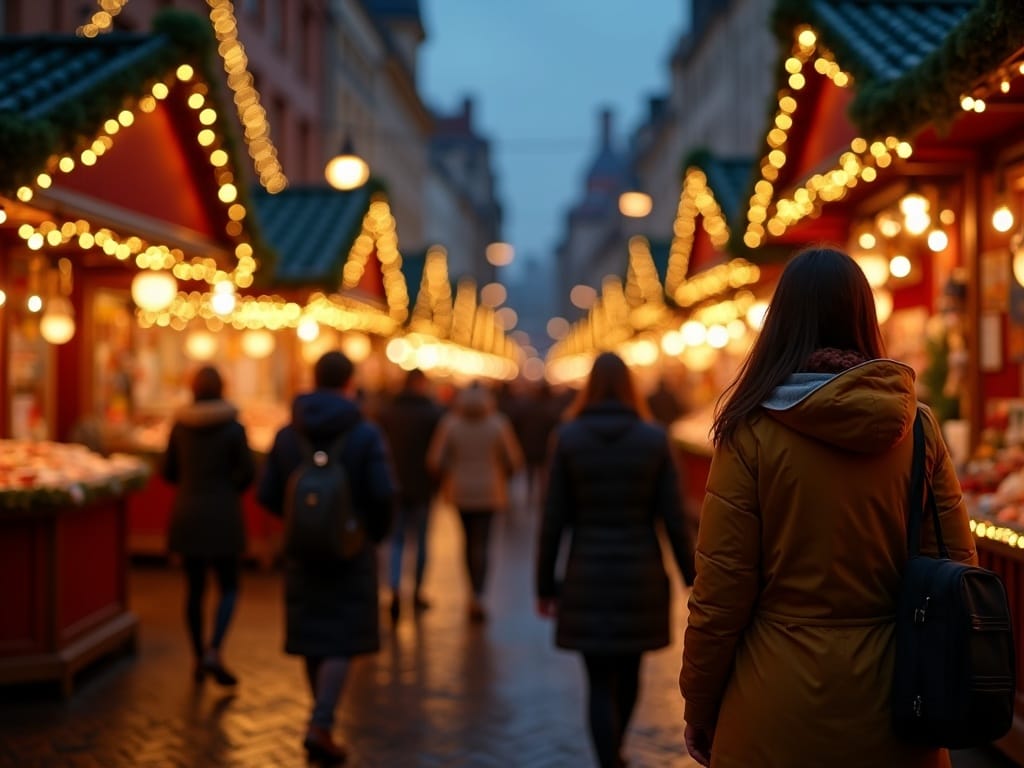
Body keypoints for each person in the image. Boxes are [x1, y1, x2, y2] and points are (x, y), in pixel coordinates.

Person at [678, 247, 977, 768]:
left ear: (781, 324)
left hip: (774, 704)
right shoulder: (919, 429)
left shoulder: (750, 433)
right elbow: (957, 562)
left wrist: (700, 704)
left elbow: (720, 594)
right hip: (898, 703)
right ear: (865, 317)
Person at [536, 352, 694, 768]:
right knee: (630, 672)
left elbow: (552, 521)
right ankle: (617, 749)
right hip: (640, 571)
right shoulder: (654, 439)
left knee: (597, 681)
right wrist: (691, 576)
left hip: (586, 571)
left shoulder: (568, 439)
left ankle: (608, 758)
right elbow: (674, 518)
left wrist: (544, 586)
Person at [258, 351, 395, 764]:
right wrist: (369, 533)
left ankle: (322, 719)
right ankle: (321, 722)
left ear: (313, 380)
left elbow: (267, 493)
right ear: (350, 383)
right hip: (350, 550)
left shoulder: (287, 433)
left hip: (300, 551)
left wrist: (300, 521)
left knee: (311, 633)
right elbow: (384, 492)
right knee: (343, 636)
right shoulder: (365, 433)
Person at [163, 365, 255, 686]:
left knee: (194, 589)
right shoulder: (233, 428)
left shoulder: (180, 426)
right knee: (229, 586)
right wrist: (227, 489)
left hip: (187, 513)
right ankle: (215, 648)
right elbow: (248, 472)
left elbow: (168, 471)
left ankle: (197, 657)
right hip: (223, 514)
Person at [427, 381, 523, 621]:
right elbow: (514, 459)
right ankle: (479, 594)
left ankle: (471, 590)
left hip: (460, 490)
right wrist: (500, 475)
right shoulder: (498, 423)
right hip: (490, 490)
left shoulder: (451, 423)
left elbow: (435, 459)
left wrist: (452, 473)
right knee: (484, 541)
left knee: (468, 541)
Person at [377, 368, 444, 621]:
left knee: (395, 540)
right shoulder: (434, 414)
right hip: (423, 487)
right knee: (422, 541)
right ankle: (417, 591)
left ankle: (394, 589)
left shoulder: (387, 413)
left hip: (394, 486)